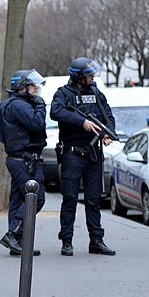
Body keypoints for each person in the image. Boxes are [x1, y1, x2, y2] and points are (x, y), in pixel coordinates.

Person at [51, 57, 116, 256]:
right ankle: (67, 241)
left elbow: (109, 118)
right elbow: (56, 112)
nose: (92, 77)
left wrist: (107, 134)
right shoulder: (63, 94)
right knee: (70, 198)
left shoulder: (96, 93)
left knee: (94, 199)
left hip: (94, 154)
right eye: (88, 75)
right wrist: (82, 122)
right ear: (78, 76)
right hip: (73, 154)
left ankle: (96, 240)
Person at [0, 69, 47, 256]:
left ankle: (17, 242)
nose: (36, 89)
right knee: (36, 198)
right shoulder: (18, 105)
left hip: (19, 159)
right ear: (22, 87)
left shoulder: (11, 104)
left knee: (18, 199)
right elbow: (37, 124)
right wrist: (41, 105)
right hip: (25, 160)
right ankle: (14, 234)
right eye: (33, 86)